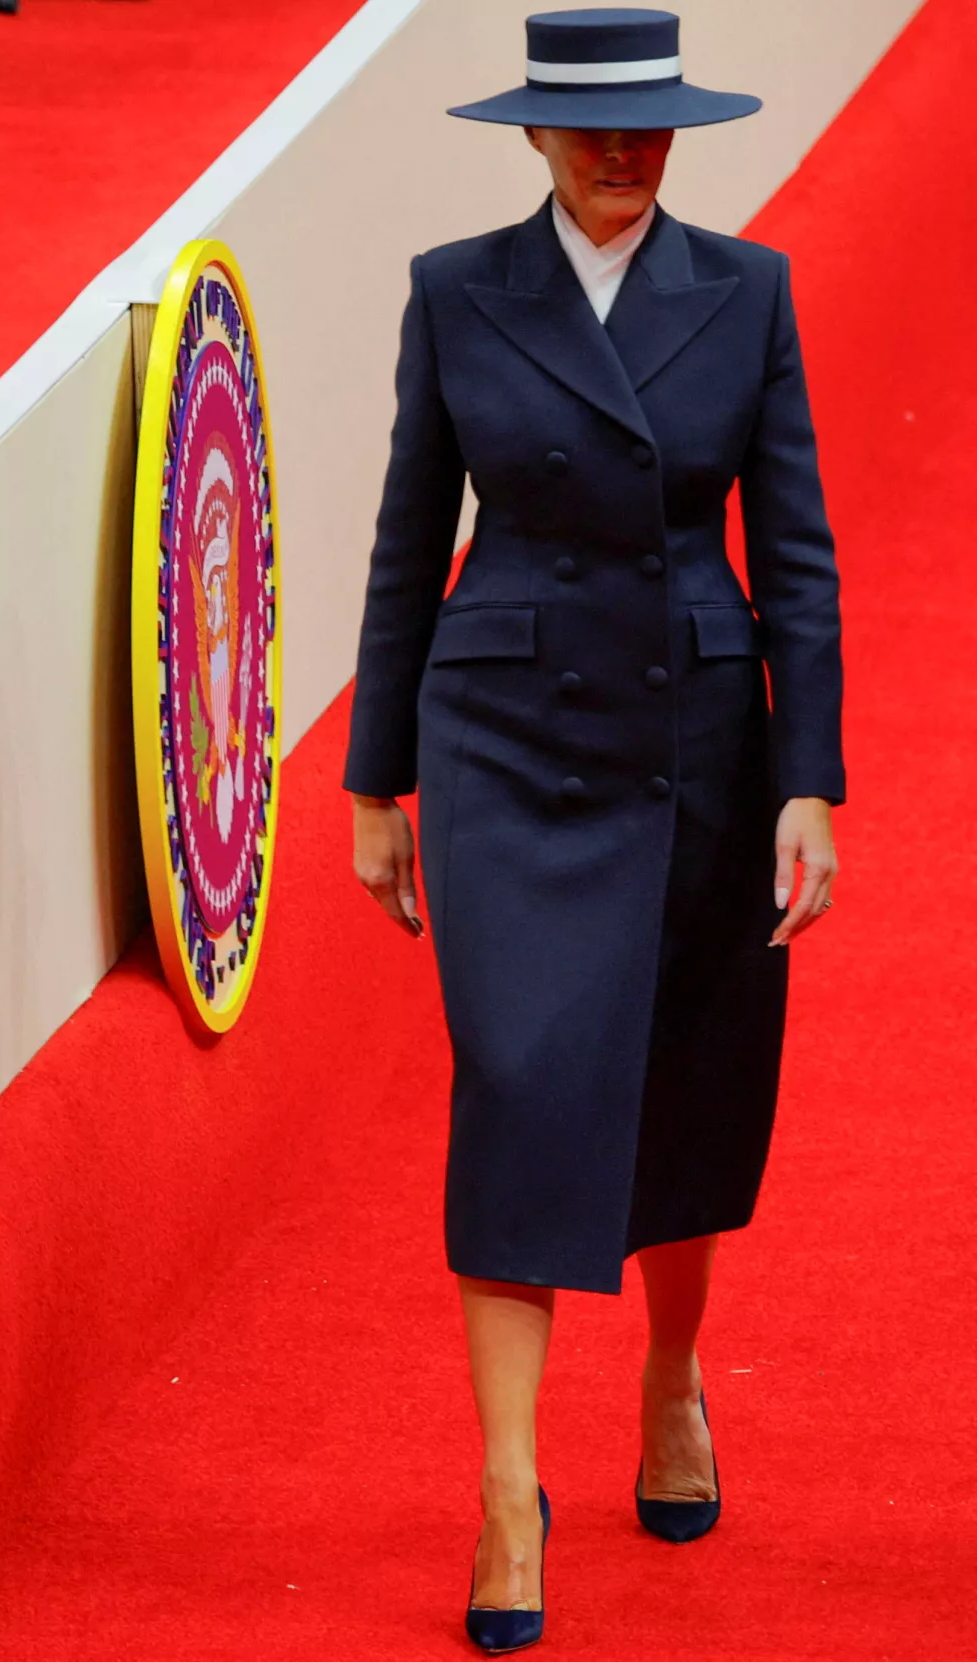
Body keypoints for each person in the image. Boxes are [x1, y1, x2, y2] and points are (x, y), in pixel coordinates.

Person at [343, 8, 844, 1652]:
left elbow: (801, 553)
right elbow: (412, 531)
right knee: (519, 1077)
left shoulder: (748, 290)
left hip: (696, 741)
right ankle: (505, 1491)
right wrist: (372, 778)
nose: (625, 154)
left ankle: (674, 1372)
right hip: (503, 742)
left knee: (686, 1088)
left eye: (651, 126)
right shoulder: (454, 287)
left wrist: (810, 780)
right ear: (536, 135)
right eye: (593, 129)